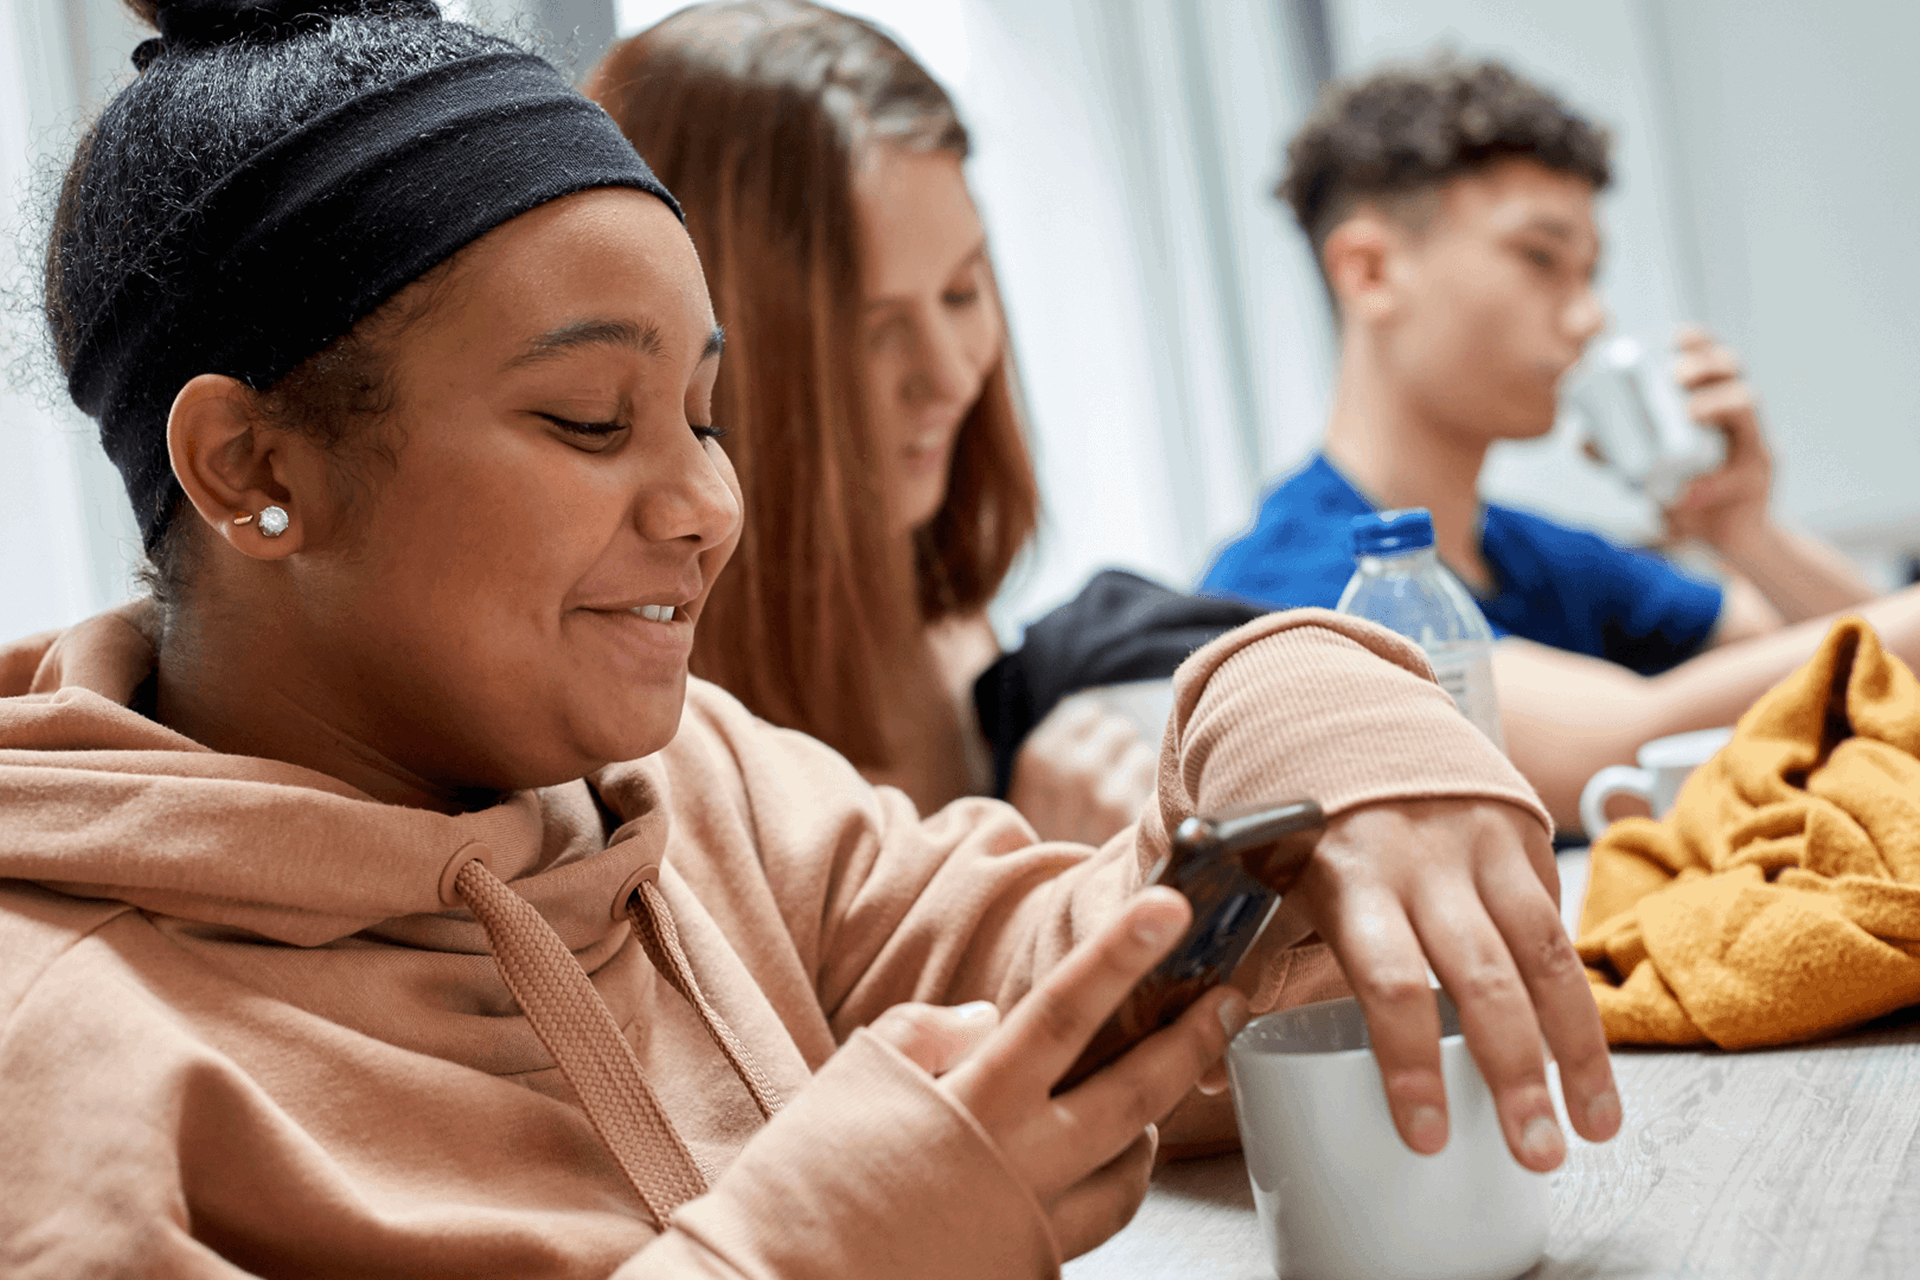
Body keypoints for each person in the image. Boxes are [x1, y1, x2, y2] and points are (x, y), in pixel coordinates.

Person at [1, 1, 1618, 1273]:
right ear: (255, 469)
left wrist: (1303, 706)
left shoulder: (699, 782)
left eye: (705, 412)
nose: (708, 500)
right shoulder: (62, 1057)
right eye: (587, 418)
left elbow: (1086, 988)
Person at [1200, 56, 1920, 830]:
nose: (1588, 320)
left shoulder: (1532, 552)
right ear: (1370, 271)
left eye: (1590, 275)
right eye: (1541, 258)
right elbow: (1620, 741)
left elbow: (1880, 672)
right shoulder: (1285, 587)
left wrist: (1744, 533)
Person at [587, 2, 1193, 845]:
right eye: (872, 331)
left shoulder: (970, 638)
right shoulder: (641, 742)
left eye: (961, 292)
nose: (950, 375)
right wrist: (1041, 897)